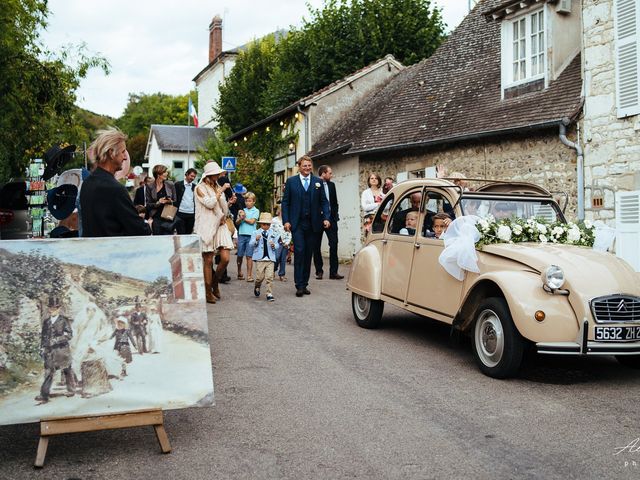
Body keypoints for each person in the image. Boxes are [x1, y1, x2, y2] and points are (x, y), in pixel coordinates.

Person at [80, 127, 151, 237]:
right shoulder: (115, 189)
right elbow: (138, 229)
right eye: (123, 152)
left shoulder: (87, 183)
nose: (125, 158)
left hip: (91, 250)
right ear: (111, 153)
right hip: (112, 251)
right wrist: (148, 225)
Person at [281, 155, 331, 297]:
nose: (307, 168)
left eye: (309, 165)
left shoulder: (318, 182)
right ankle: (299, 285)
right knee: (300, 251)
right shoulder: (291, 182)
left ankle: (305, 283)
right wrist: (286, 220)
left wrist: (326, 218)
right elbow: (285, 203)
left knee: (309, 254)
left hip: (314, 224)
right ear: (299, 166)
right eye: (305, 165)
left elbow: (324, 202)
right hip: (297, 224)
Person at [193, 161, 232, 304]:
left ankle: (215, 283)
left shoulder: (217, 187)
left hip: (220, 225)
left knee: (226, 258)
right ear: (209, 175)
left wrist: (228, 204)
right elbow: (209, 204)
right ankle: (208, 291)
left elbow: (222, 209)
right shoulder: (199, 188)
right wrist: (220, 191)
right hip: (206, 227)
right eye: (216, 174)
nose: (218, 176)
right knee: (208, 260)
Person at [35, 296, 76, 404]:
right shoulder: (46, 321)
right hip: (49, 351)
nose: (52, 310)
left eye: (54, 308)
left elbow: (69, 335)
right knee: (48, 371)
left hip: (62, 350)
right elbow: (43, 336)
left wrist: (57, 339)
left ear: (58, 309)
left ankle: (71, 390)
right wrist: (42, 347)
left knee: (67, 370)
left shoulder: (64, 320)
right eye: (50, 308)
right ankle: (44, 395)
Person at [313, 165, 343, 280]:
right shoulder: (314, 184)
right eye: (330, 173)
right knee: (316, 246)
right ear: (323, 173)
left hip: (331, 219)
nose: (332, 175)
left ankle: (333, 272)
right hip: (317, 220)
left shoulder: (332, 185)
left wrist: (334, 216)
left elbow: (334, 203)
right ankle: (319, 271)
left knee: (334, 245)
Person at [145, 164, 185, 235]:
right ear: (158, 174)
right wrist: (158, 202)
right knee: (158, 240)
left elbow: (175, 201)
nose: (167, 173)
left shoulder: (170, 184)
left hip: (168, 216)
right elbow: (148, 205)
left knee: (169, 239)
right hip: (156, 217)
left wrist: (169, 201)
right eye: (165, 172)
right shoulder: (150, 186)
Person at [251, 212, 279, 302]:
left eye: (268, 224)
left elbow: (277, 244)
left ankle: (269, 293)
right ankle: (257, 286)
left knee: (269, 277)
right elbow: (250, 244)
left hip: (270, 258)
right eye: (264, 224)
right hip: (260, 259)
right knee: (259, 277)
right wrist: (256, 239)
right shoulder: (256, 232)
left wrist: (274, 245)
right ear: (260, 224)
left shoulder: (273, 233)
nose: (266, 226)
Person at [236, 192, 259, 282]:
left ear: (254, 202)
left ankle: (249, 275)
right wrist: (240, 218)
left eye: (249, 201)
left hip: (251, 236)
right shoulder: (242, 211)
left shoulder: (256, 211)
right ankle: (239, 272)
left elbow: (252, 222)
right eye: (246, 201)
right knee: (240, 255)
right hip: (241, 234)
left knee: (249, 256)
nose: (247, 203)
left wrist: (243, 218)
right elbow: (237, 223)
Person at [271, 206, 291, 281]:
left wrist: (288, 242)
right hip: (276, 242)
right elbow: (270, 230)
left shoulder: (288, 222)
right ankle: (273, 269)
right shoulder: (274, 220)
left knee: (283, 259)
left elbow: (289, 233)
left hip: (285, 243)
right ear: (279, 211)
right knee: (276, 257)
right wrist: (271, 241)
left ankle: (282, 274)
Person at [175, 168, 197, 234]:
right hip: (180, 213)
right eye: (191, 176)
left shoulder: (195, 187)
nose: (193, 178)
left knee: (188, 234)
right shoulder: (178, 185)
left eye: (194, 177)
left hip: (191, 214)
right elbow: (175, 198)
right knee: (181, 234)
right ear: (186, 174)